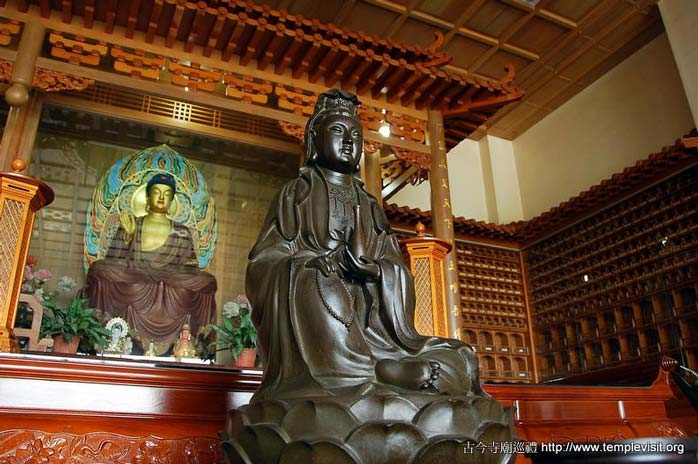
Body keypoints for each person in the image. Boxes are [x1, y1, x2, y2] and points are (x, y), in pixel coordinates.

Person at [246, 89, 485, 400]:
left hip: (376, 326)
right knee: (315, 279)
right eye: (338, 131)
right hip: (322, 308)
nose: (349, 141)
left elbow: (396, 266)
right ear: (315, 138)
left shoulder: (370, 205)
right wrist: (306, 264)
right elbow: (264, 263)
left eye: (356, 135)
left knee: (460, 358)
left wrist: (375, 271)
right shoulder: (296, 194)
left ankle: (385, 367)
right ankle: (368, 372)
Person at [84, 173, 216, 355]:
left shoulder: (181, 231)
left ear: (172, 200)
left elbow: (190, 269)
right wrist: (127, 237)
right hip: (136, 275)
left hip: (169, 278)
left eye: (167, 194)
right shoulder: (132, 224)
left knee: (208, 281)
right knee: (98, 269)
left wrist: (169, 273)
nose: (161, 197)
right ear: (147, 197)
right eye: (156, 192)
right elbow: (112, 260)